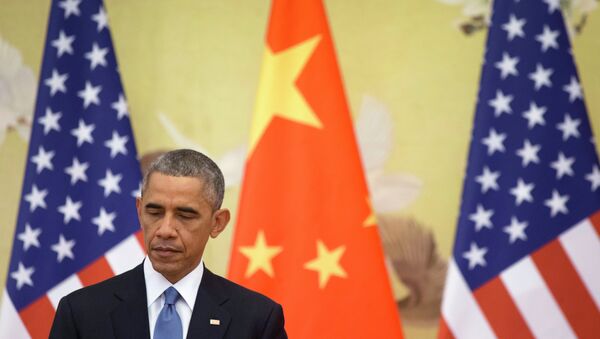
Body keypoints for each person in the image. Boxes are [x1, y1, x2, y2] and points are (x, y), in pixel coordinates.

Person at [49, 149, 287, 339]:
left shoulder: (257, 319)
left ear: (217, 223)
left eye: (185, 215)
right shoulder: (81, 312)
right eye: (154, 212)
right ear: (139, 211)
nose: (165, 230)